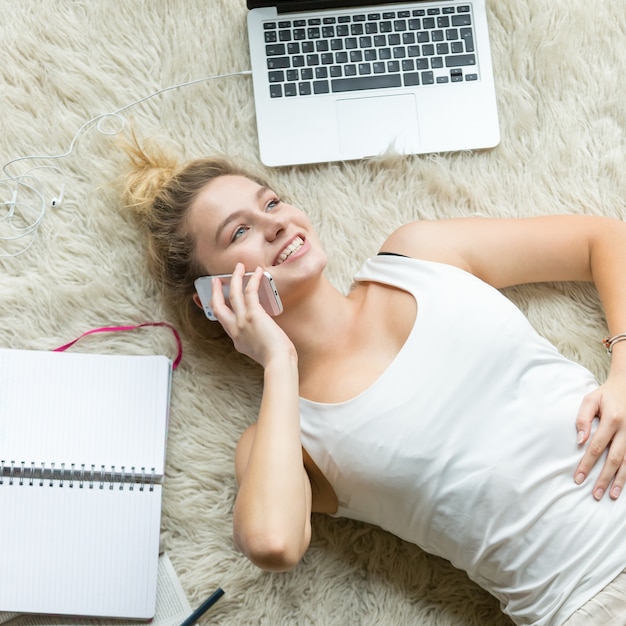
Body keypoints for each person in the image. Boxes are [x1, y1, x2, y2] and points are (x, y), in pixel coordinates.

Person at [121, 137, 626, 626]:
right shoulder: (281, 438)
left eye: (271, 202)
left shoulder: (418, 256)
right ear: (215, 299)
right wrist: (278, 361)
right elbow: (272, 543)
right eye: (239, 232)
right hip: (587, 599)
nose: (275, 224)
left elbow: (602, 239)